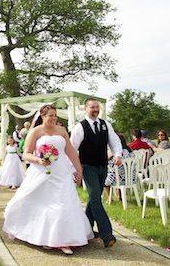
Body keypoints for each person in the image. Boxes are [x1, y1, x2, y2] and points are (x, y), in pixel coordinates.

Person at [3, 104, 92, 255]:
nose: (53, 118)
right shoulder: (36, 132)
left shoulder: (62, 131)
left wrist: (79, 170)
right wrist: (39, 160)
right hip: (43, 172)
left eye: (55, 116)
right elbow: (26, 154)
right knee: (43, 204)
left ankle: (64, 239)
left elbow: (70, 151)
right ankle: (45, 238)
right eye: (50, 115)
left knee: (64, 202)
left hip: (62, 172)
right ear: (43, 116)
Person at [70, 98, 123, 248]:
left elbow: (114, 141)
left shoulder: (105, 125)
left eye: (97, 107)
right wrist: (75, 170)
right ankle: (107, 234)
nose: (95, 110)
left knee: (95, 197)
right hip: (87, 167)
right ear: (85, 109)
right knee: (95, 197)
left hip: (103, 166)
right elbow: (72, 149)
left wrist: (117, 154)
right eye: (92, 107)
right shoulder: (80, 127)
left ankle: (86, 230)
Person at [104, 134, 135, 201]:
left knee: (104, 180)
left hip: (118, 179)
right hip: (131, 178)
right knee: (119, 173)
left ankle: (109, 198)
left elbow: (104, 159)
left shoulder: (113, 151)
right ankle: (119, 196)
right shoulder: (130, 150)